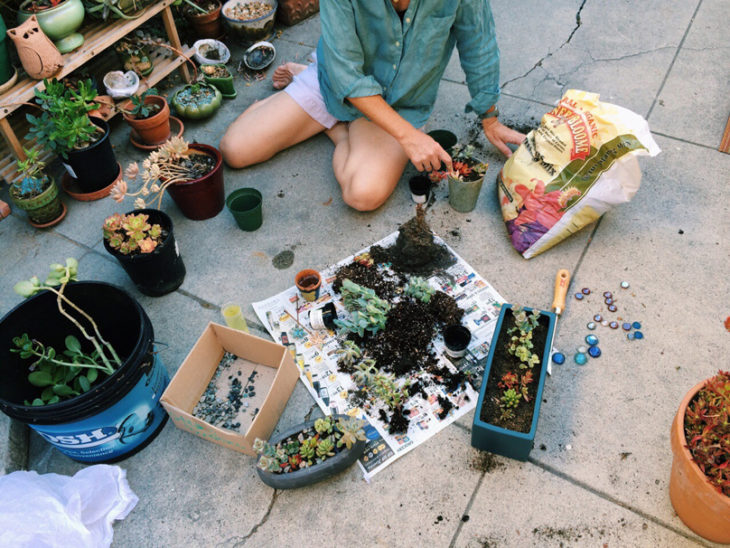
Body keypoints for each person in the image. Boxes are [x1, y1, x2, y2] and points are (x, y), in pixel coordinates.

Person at [219, 0, 525, 211]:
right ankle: (311, 82)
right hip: (336, 81)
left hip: (400, 102)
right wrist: (410, 137)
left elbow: (479, 44)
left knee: (363, 196)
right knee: (235, 150)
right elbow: (344, 73)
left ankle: (337, 130)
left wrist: (490, 118)